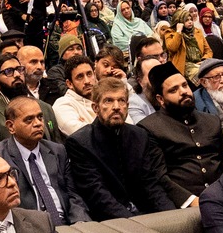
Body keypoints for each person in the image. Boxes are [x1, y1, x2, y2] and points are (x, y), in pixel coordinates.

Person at [63, 78, 174, 220]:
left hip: (146, 214)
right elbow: (97, 194)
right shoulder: (80, 143)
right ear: (95, 108)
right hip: (110, 222)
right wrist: (135, 223)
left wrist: (172, 216)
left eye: (121, 101)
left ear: (127, 106)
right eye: (108, 101)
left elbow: (151, 184)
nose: (116, 106)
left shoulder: (140, 135)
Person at [0, 96, 86, 226]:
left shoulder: (57, 151)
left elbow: (74, 194)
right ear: (11, 126)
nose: (38, 123)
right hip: (28, 228)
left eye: (40, 117)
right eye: (29, 120)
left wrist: (80, 221)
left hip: (67, 223)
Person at [139, 63, 223, 204]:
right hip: (185, 205)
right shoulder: (149, 128)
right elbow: (159, 176)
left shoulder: (211, 121)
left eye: (185, 85)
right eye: (173, 90)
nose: (183, 91)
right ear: (161, 99)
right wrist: (191, 201)